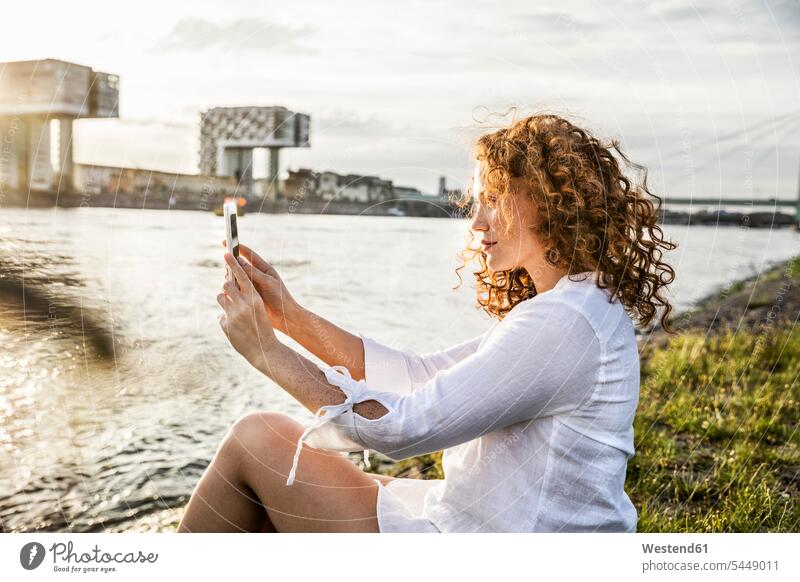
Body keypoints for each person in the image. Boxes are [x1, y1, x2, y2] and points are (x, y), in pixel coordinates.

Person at [177, 113, 677, 533]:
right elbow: (418, 376)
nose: (477, 222)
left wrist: (266, 352)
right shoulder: (572, 305)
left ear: (551, 201)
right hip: (504, 522)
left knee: (257, 438)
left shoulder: (565, 323)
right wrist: (289, 317)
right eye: (477, 202)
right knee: (297, 481)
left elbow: (404, 431)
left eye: (495, 199)